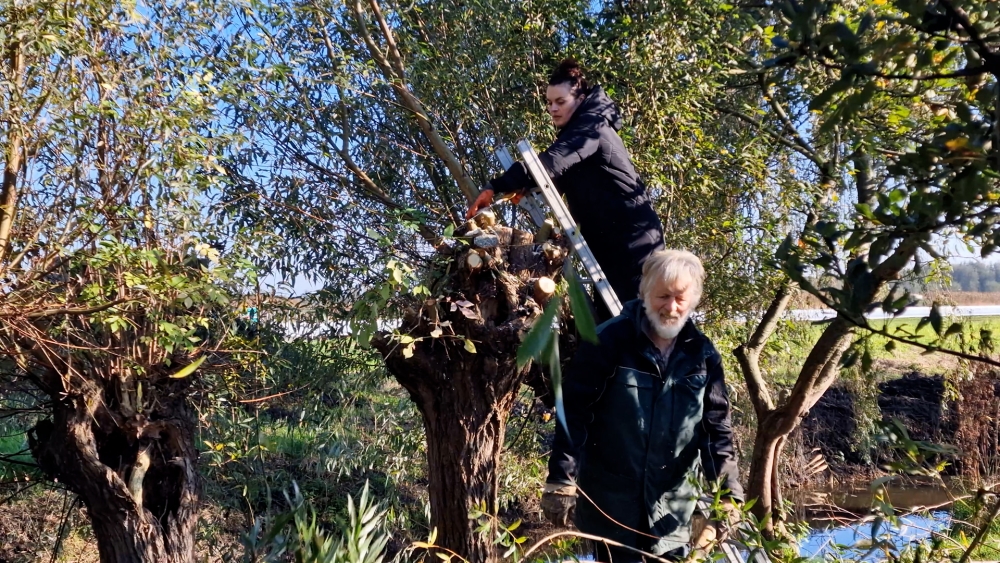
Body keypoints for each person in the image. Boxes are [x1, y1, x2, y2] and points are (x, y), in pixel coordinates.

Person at [539, 250, 743, 562]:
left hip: (672, 511)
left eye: (680, 298)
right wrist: (561, 480)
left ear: (694, 300)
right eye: (662, 296)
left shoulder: (703, 355)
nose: (671, 307)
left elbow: (716, 430)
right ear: (644, 292)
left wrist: (728, 495)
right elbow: (574, 413)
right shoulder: (609, 342)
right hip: (613, 507)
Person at [466, 59, 664, 321]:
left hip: (634, 245)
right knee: (612, 328)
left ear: (580, 98)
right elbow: (561, 174)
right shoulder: (579, 132)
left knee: (637, 328)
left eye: (560, 101)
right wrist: (525, 185)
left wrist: (496, 186)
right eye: (549, 103)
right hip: (608, 248)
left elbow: (551, 163)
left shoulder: (592, 127)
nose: (552, 109)